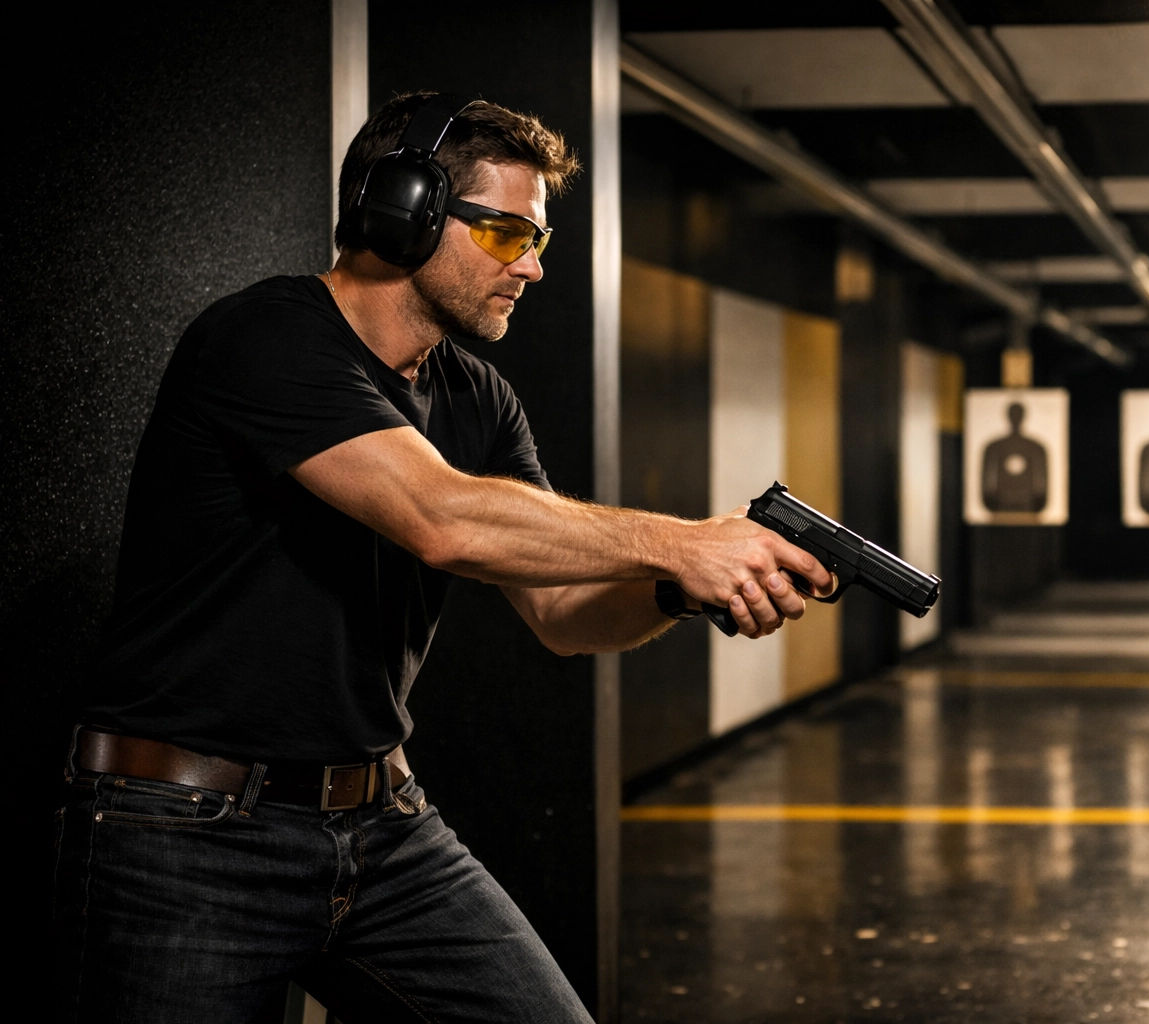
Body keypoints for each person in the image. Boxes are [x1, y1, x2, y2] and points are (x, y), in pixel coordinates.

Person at [51, 92, 831, 1024]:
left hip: (382, 824)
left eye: (536, 239)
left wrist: (677, 587)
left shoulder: (478, 397)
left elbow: (564, 616)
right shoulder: (265, 336)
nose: (532, 266)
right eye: (506, 234)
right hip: (185, 830)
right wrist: (686, 541)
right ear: (404, 212)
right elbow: (441, 518)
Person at [980, 401, 1048, 513]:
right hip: (1000, 503)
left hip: (1028, 503)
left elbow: (1041, 486)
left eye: (1018, 414)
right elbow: (988, 484)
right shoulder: (994, 447)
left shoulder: (1036, 448)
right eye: (1013, 414)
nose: (1016, 418)